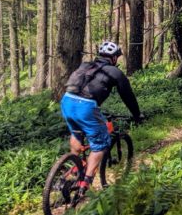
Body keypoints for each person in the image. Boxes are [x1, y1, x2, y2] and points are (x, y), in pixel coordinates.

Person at [60, 41, 142, 196]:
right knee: (101, 143)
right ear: (114, 58)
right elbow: (128, 96)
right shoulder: (115, 72)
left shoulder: (85, 65)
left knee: (77, 132)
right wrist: (137, 115)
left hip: (67, 101)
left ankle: (74, 168)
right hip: (86, 107)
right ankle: (87, 181)